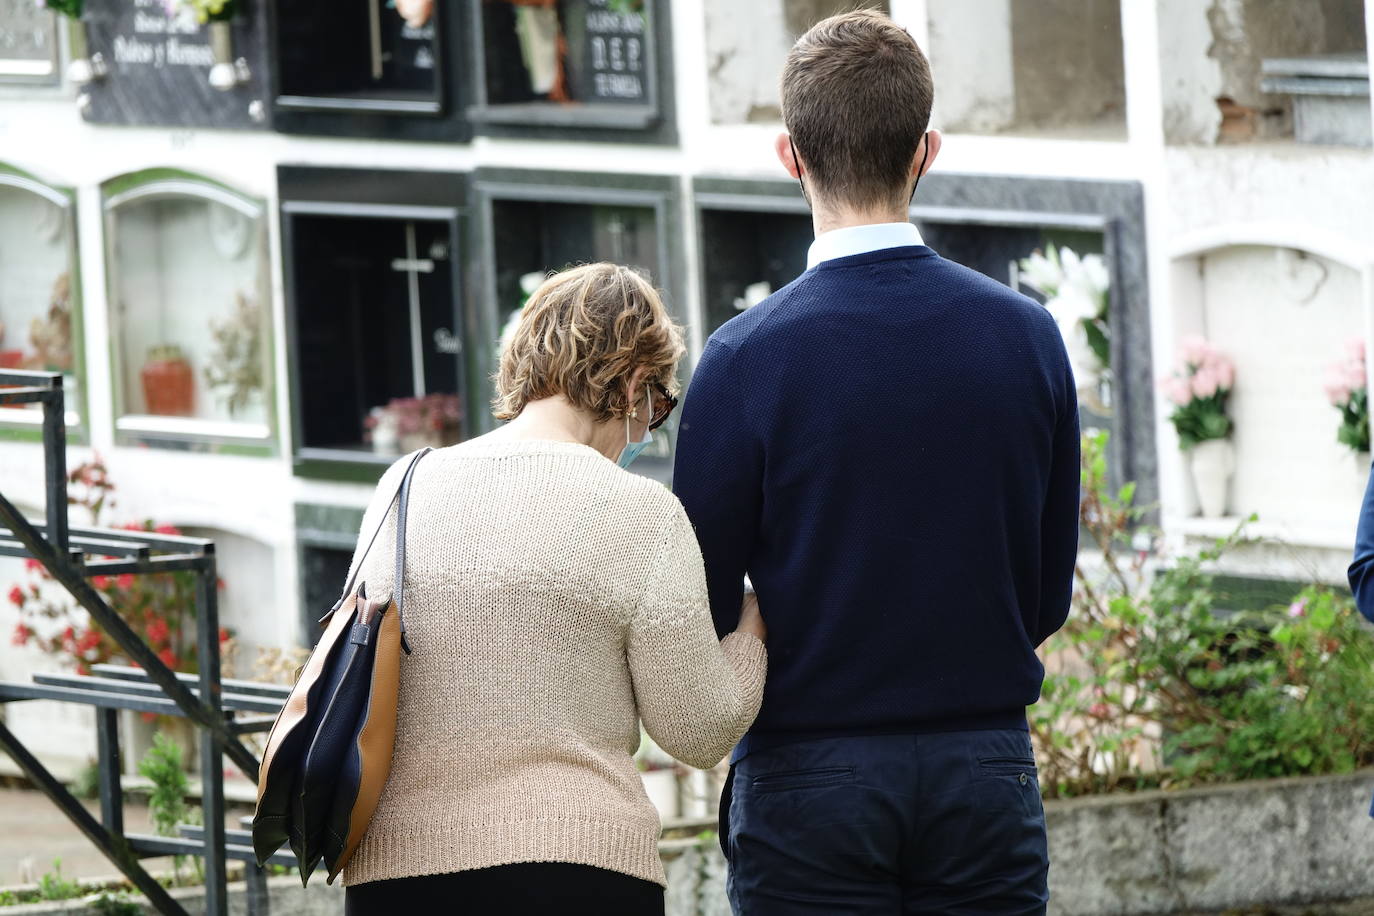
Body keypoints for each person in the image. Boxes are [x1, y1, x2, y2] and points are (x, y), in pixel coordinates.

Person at [673, 11, 1079, 915]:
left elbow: (697, 605)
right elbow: (1046, 594)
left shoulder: (743, 359)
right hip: (985, 768)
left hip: (809, 774)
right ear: (926, 151)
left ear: (790, 156)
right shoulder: (1028, 338)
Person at [340, 263, 768, 915]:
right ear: (631, 383)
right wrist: (753, 634)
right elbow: (699, 727)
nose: (649, 427)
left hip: (394, 871)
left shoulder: (402, 482)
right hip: (575, 865)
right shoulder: (639, 511)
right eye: (657, 403)